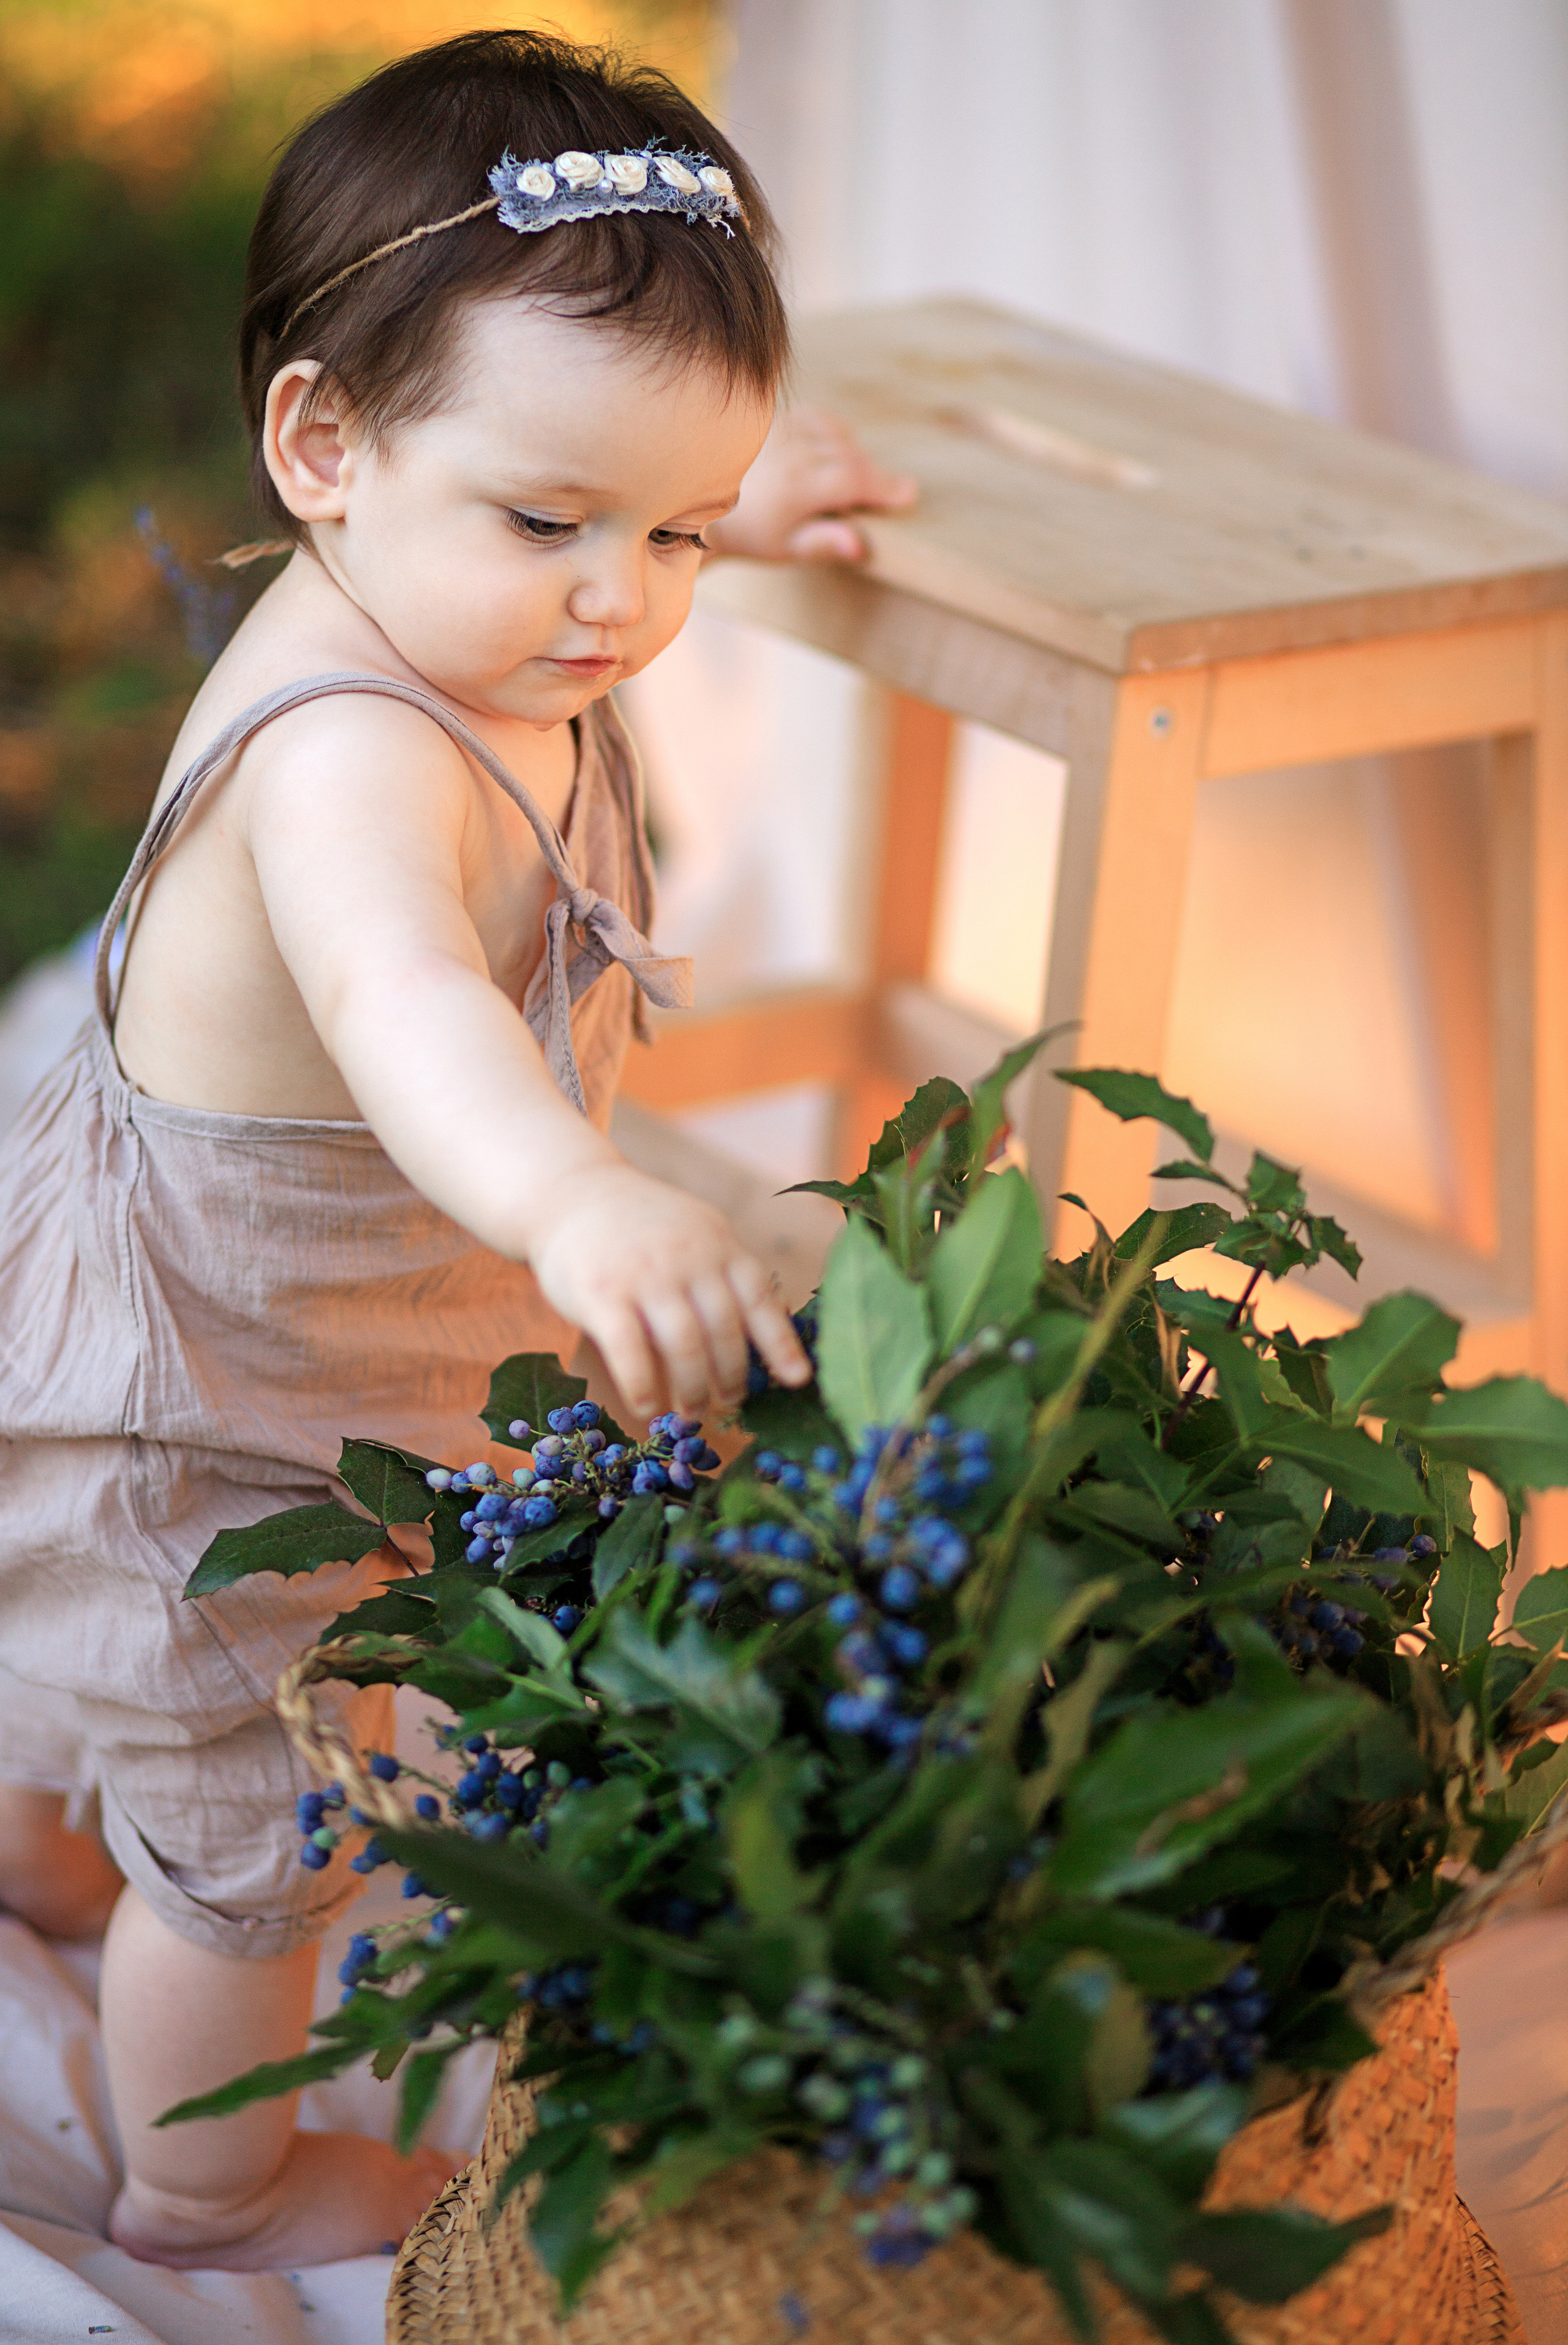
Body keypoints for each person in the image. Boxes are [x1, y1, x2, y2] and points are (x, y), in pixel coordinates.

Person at [0, 29, 915, 2273]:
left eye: (676, 527)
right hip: (213, 1371)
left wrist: (739, 496)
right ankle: (201, 2174)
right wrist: (578, 1190)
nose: (624, 601)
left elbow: (604, 479)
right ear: (320, 448)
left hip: (274, 1295)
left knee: (101, 1646)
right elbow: (414, 1011)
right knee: (248, 1794)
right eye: (554, 520)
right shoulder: (350, 767)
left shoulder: (482, 586)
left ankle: (37, 1838)